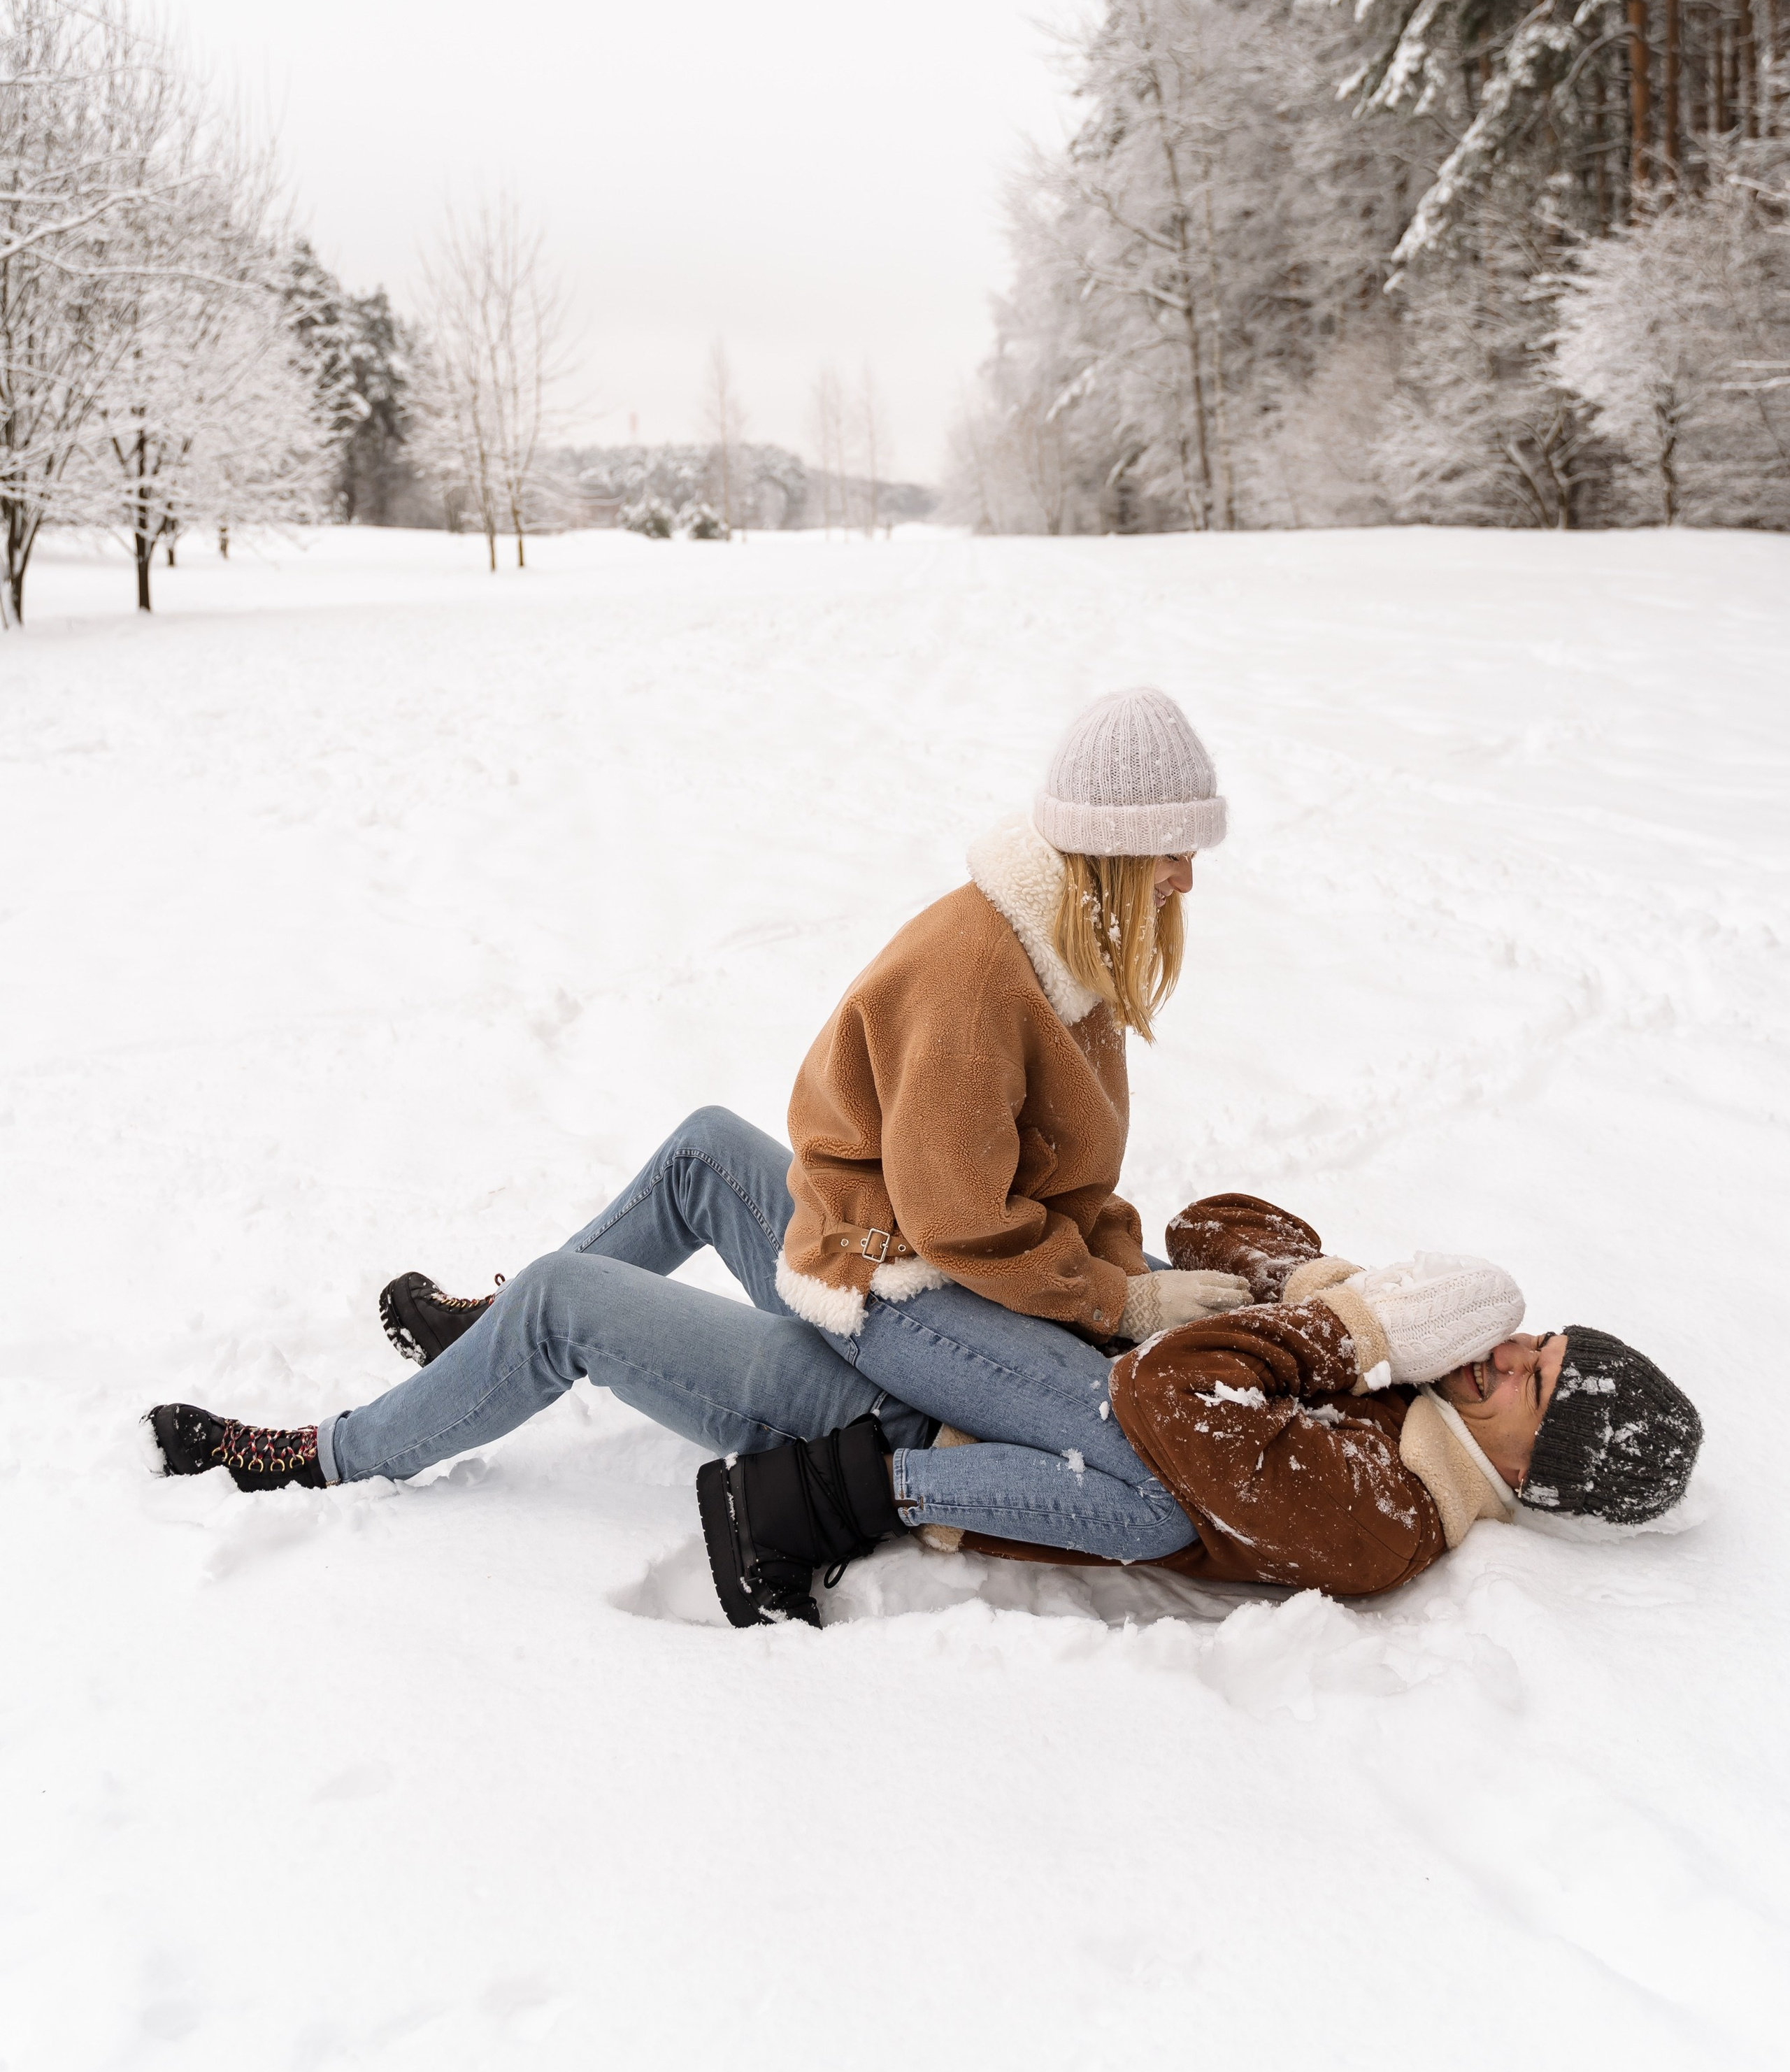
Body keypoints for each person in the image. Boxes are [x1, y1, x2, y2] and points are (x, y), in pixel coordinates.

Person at [147, 687, 1702, 1622]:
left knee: (580, 1291)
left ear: (1533, 1466)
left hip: (907, 1366)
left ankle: (337, 1447)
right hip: (940, 1308)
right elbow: (1147, 1242)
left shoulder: (1378, 1493)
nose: (1495, 1355)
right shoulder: (1002, 971)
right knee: (702, 1157)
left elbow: (1165, 1418)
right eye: (1525, 1341)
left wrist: (1295, 1321)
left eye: (1525, 1375)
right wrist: (1312, 1278)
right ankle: (483, 1351)